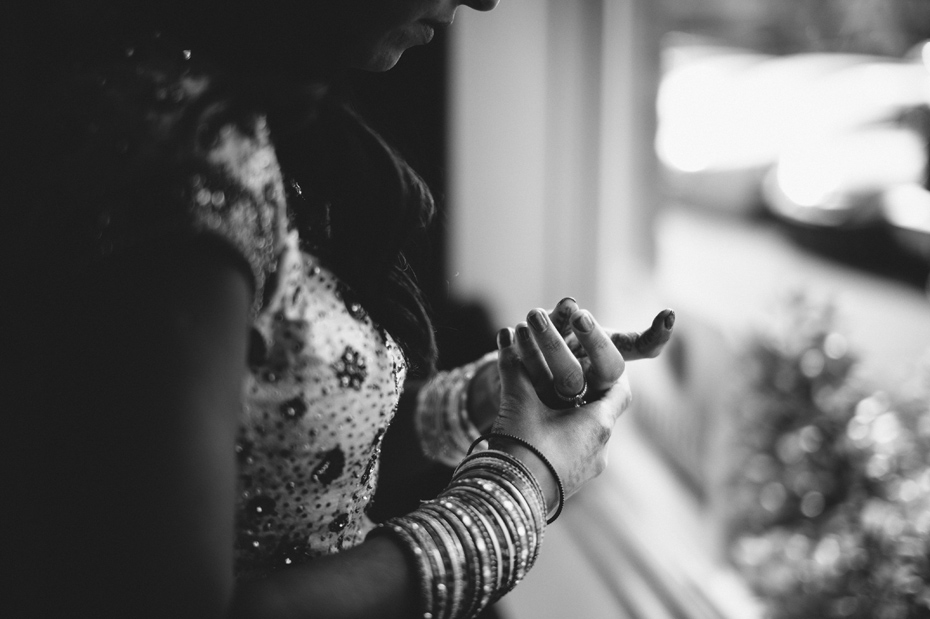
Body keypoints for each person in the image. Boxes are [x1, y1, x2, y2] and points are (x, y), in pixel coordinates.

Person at [3, 1, 674, 618]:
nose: (486, 0)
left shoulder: (244, 110)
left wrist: (484, 399)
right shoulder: (176, 149)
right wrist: (522, 487)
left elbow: (290, 452)